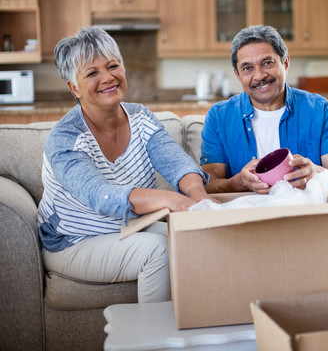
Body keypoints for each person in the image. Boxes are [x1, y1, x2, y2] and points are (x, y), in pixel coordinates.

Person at [37, 26, 213, 303]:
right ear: (74, 87)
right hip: (73, 242)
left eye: (113, 65)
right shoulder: (65, 139)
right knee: (158, 250)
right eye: (92, 73)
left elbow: (176, 162)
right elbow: (101, 196)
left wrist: (201, 201)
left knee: (190, 237)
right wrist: (172, 201)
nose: (108, 78)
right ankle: (156, 344)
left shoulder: (140, 117)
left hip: (128, 226)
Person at [200, 25, 328, 286]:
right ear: (237, 74)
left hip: (309, 218)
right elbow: (208, 184)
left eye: (267, 63)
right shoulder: (219, 116)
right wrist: (238, 181)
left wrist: (314, 172)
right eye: (248, 68)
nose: (259, 75)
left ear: (285, 62)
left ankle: (324, 316)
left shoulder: (317, 108)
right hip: (249, 221)